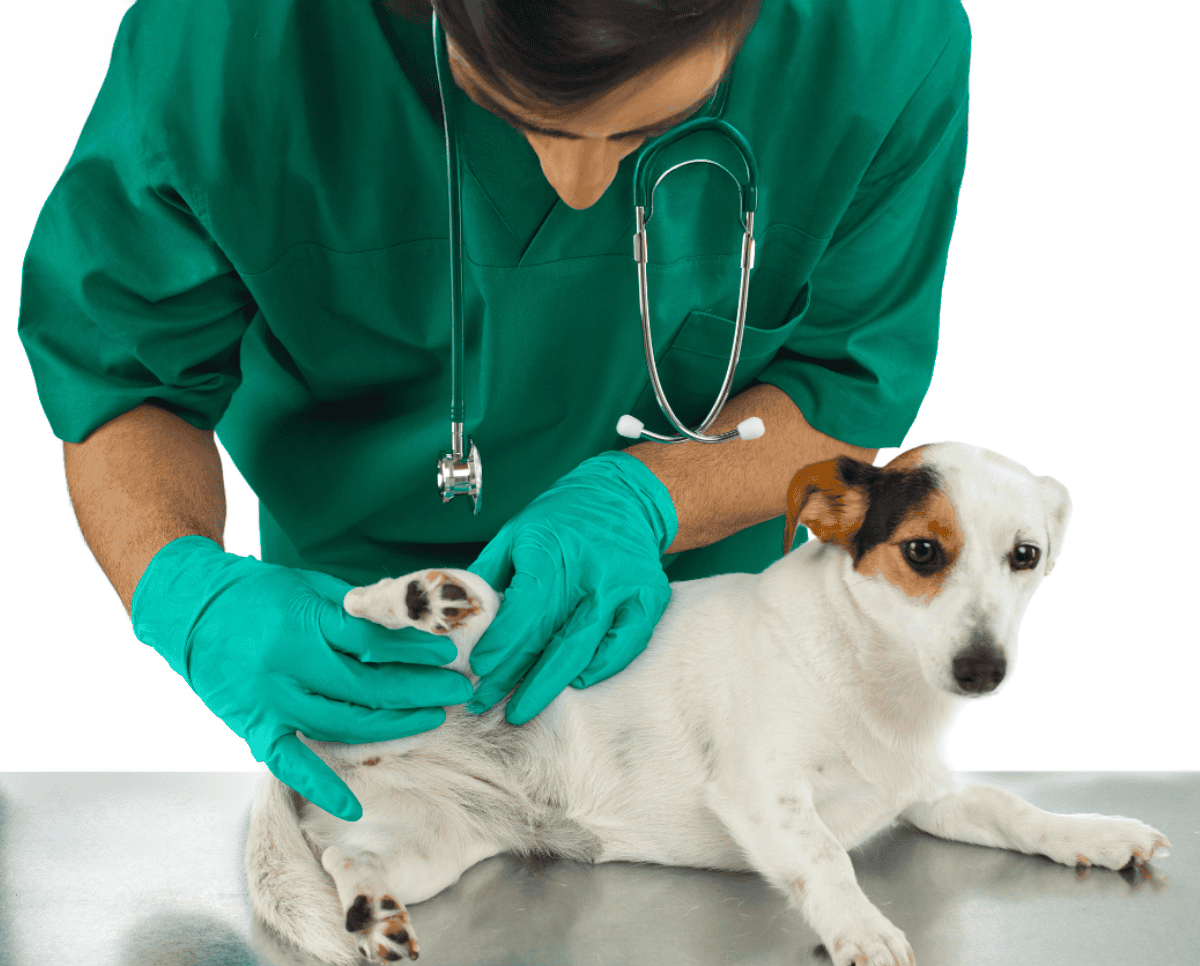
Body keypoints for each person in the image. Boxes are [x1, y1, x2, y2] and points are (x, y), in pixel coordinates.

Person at [19, 0, 970, 820]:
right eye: (515, 113)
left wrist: (644, 502)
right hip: (371, 665)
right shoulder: (230, 39)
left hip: (694, 662)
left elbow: (843, 382)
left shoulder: (877, 40)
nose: (579, 186)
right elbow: (125, 372)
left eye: (647, 133)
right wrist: (182, 589)